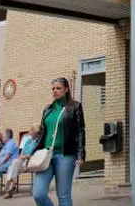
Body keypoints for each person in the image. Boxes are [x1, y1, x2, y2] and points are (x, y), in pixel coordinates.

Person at [31, 77, 85, 206]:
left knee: (63, 195)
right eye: (53, 89)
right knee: (38, 194)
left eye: (58, 88)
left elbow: (80, 131)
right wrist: (32, 151)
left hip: (65, 155)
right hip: (46, 156)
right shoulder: (48, 109)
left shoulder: (74, 106)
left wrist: (81, 154)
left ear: (66, 89)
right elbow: (42, 133)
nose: (55, 91)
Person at [2, 126, 39, 198]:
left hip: (29, 160)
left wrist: (25, 156)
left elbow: (34, 154)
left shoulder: (38, 141)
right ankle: (12, 184)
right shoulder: (28, 141)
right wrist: (22, 156)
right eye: (30, 131)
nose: (30, 133)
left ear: (36, 133)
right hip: (22, 159)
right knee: (14, 162)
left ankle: (10, 186)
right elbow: (21, 153)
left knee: (12, 167)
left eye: (32, 131)